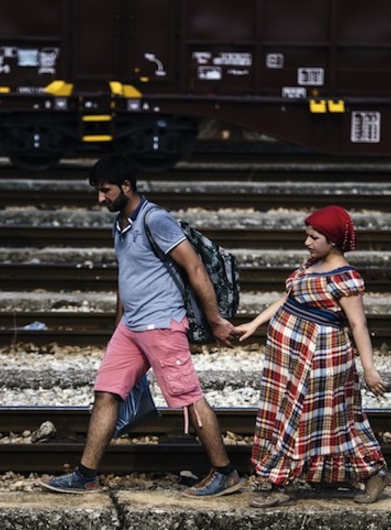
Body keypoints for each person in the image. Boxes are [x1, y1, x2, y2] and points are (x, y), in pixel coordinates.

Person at [41, 154, 243, 498]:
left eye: (105, 191)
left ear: (126, 186)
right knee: (106, 393)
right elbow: (126, 279)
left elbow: (195, 269)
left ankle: (225, 472)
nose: (99, 198)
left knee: (188, 399)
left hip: (162, 325)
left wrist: (215, 321)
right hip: (131, 328)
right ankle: (86, 474)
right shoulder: (120, 223)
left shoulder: (156, 219)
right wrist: (117, 329)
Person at [233, 205, 391, 508]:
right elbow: (287, 299)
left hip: (320, 358)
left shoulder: (345, 278)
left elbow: (358, 324)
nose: (306, 242)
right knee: (309, 418)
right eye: (306, 235)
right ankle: (372, 473)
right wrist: (255, 323)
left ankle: (282, 483)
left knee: (310, 419)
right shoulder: (310, 265)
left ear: (332, 240)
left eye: (313, 237)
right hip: (291, 357)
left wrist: (369, 369)